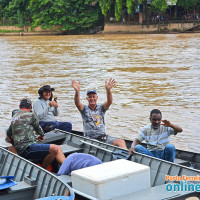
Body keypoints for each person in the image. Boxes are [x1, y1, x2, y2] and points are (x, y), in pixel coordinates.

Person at [7, 98, 66, 169]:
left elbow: (9, 134)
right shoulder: (31, 115)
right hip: (27, 148)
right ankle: (44, 170)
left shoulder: (14, 118)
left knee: (50, 148)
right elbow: (38, 129)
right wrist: (42, 135)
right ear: (30, 107)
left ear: (19, 106)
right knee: (55, 149)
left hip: (20, 149)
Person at [72, 78, 127, 149]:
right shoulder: (84, 109)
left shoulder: (101, 108)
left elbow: (109, 102)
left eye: (93, 96)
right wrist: (77, 91)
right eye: (90, 97)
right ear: (87, 98)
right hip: (90, 139)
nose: (92, 98)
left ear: (97, 97)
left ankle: (127, 158)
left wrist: (108, 90)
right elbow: (77, 103)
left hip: (103, 137)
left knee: (121, 142)